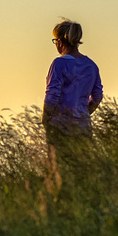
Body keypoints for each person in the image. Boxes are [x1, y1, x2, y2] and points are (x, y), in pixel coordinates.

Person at [41, 19, 103, 193]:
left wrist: (45, 118)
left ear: (60, 41)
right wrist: (84, 112)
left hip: (60, 127)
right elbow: (97, 96)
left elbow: (52, 95)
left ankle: (62, 205)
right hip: (83, 127)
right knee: (82, 171)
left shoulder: (59, 64)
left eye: (55, 41)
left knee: (60, 171)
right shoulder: (91, 65)